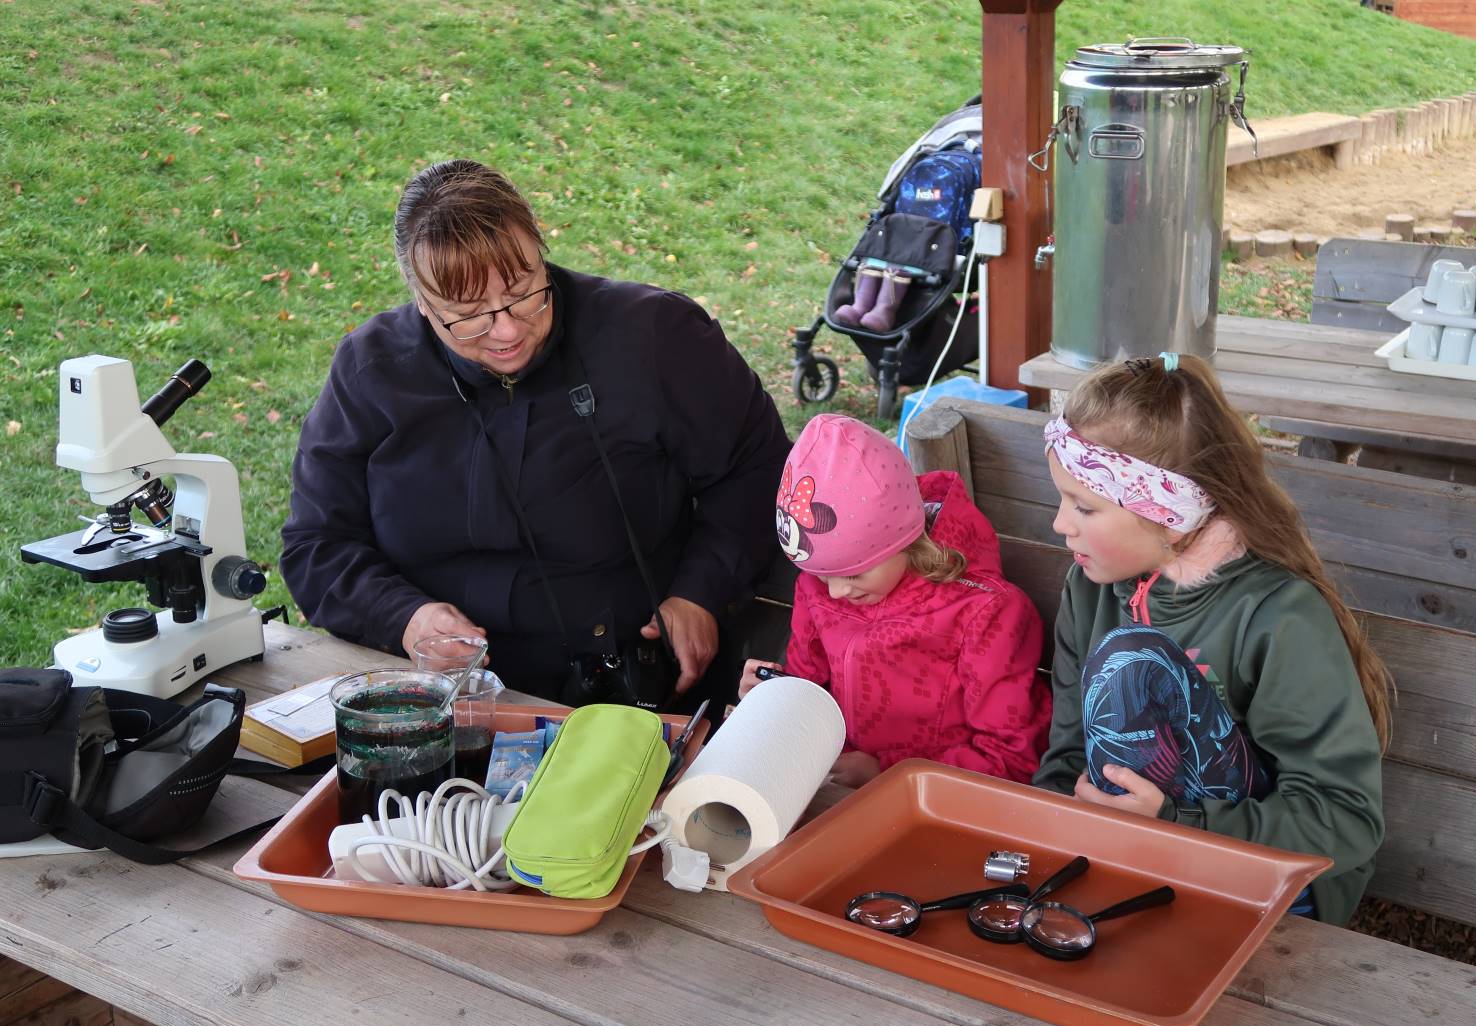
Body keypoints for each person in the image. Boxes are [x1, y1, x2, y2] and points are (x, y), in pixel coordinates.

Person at [281, 159, 791, 706]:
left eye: (523, 291)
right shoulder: (370, 372)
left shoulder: (655, 334)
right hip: (444, 696)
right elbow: (317, 544)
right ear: (424, 306)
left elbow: (759, 466)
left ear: (540, 253)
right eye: (468, 315)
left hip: (635, 688)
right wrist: (404, 618)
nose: (506, 329)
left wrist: (700, 593)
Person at [1033, 351, 1390, 927]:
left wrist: (1176, 825)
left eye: (1084, 507)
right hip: (1129, 854)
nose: (1060, 523)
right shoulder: (1090, 589)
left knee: (1130, 660)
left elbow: (1345, 820)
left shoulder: (1278, 617)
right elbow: (1071, 750)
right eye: (1061, 498)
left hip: (1265, 885)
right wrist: (1051, 828)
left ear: (1169, 514)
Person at [740, 413, 1050, 787]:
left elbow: (1010, 758)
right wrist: (775, 699)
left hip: (938, 803)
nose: (835, 592)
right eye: (822, 575)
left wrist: (886, 774)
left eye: (854, 573)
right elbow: (809, 689)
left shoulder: (984, 615)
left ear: (905, 541)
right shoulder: (817, 588)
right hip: (832, 788)